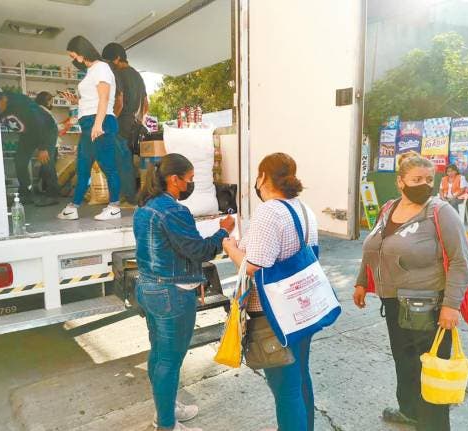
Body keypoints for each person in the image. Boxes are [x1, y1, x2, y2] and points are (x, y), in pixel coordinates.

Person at [353, 151, 468, 431]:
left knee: (431, 370)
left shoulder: (440, 211)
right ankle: (409, 411)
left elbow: (460, 261)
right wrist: (362, 281)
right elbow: (374, 248)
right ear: (400, 182)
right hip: (394, 303)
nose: (424, 184)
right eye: (417, 179)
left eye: (429, 179)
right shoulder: (389, 208)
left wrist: (451, 305)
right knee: (404, 362)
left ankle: (434, 426)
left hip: (428, 305)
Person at [133, 153, 235, 431]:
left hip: (149, 288)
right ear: (173, 179)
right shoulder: (174, 211)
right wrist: (223, 232)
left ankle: (166, 409)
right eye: (189, 179)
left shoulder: (145, 207)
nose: (190, 184)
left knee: (159, 354)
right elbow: (199, 250)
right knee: (170, 360)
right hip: (171, 294)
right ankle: (166, 424)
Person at [221, 153, 320, 431]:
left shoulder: (269, 211)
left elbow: (254, 266)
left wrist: (229, 247)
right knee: (299, 376)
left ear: (263, 177)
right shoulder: (303, 209)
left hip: (272, 314)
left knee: (284, 387)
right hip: (302, 308)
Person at [58, 35, 122, 221]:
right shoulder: (92, 70)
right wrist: (76, 101)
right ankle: (73, 207)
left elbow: (104, 98)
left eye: (73, 55)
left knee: (108, 166)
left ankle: (114, 207)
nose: (73, 59)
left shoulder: (101, 67)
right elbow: (93, 99)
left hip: (100, 122)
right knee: (83, 166)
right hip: (90, 123)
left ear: (82, 52)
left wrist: (98, 124)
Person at [0, 91, 59, 207]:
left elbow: (40, 121)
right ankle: (25, 193)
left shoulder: (20, 103)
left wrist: (43, 148)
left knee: (46, 161)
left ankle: (53, 195)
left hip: (46, 130)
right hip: (28, 134)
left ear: (4, 99)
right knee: (19, 161)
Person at [101, 42, 149, 153]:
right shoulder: (138, 75)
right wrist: (139, 122)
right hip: (134, 129)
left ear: (117, 58)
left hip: (120, 127)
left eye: (109, 61)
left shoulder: (117, 74)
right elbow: (146, 105)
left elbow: (119, 102)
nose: (108, 65)